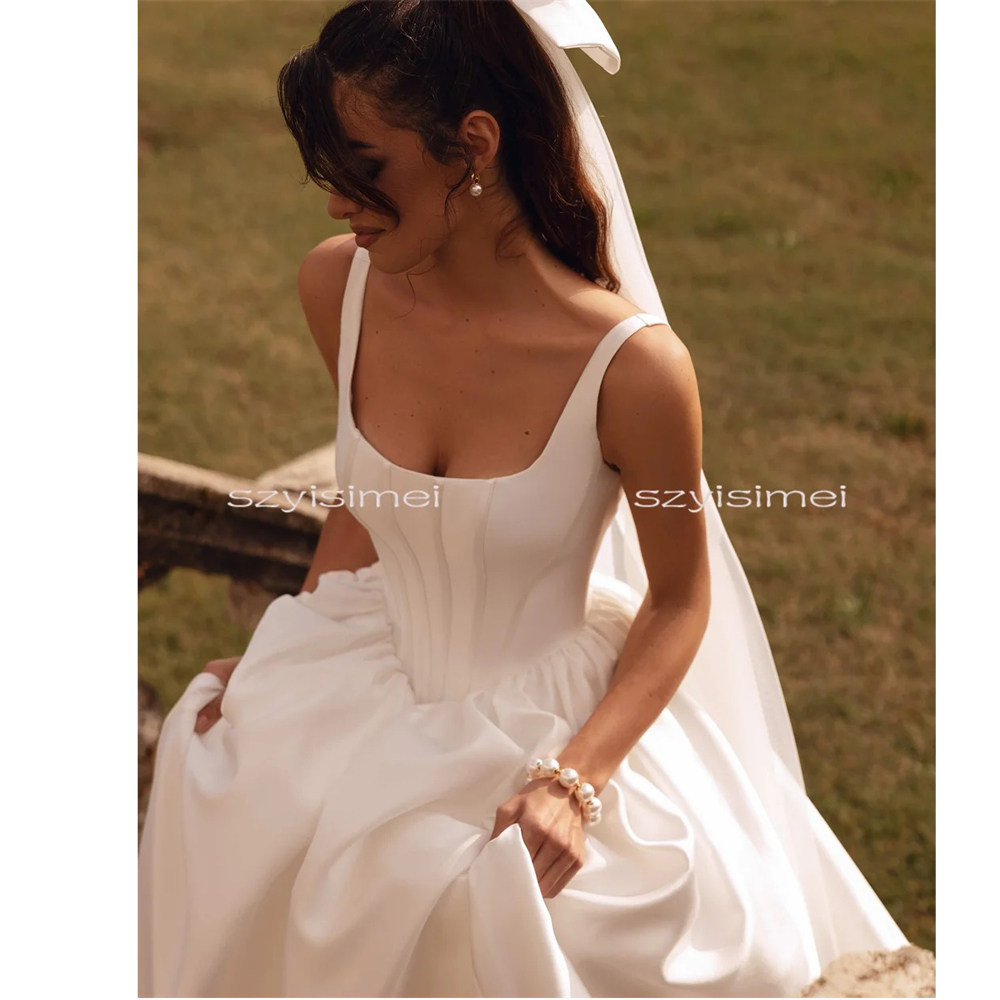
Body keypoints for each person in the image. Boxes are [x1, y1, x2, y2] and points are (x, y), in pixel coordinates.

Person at [138, 2, 908, 996]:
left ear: (474, 145)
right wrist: (280, 656)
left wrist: (573, 782)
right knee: (222, 779)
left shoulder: (632, 370)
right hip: (369, 674)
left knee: (503, 905)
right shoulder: (340, 288)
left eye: (365, 168)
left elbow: (680, 599)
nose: (335, 205)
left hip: (551, 724)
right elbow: (369, 509)